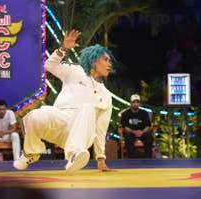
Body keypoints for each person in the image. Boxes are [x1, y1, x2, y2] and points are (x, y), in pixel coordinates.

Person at [13, 30, 115, 174]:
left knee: (87, 108)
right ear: (93, 60)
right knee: (34, 116)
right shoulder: (75, 70)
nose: (109, 64)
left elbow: (100, 129)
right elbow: (50, 65)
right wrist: (64, 48)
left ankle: (74, 155)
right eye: (105, 59)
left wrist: (101, 159)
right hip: (60, 119)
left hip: (81, 132)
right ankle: (31, 153)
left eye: (109, 60)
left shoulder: (106, 96)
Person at [120, 94, 153, 158]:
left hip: (142, 132)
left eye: (137, 102)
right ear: (130, 103)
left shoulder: (144, 113)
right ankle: (131, 159)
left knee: (148, 136)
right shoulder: (125, 113)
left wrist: (142, 132)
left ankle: (148, 158)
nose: (135, 104)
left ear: (139, 103)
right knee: (128, 136)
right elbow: (125, 127)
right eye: (134, 102)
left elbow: (148, 126)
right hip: (131, 133)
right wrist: (134, 132)